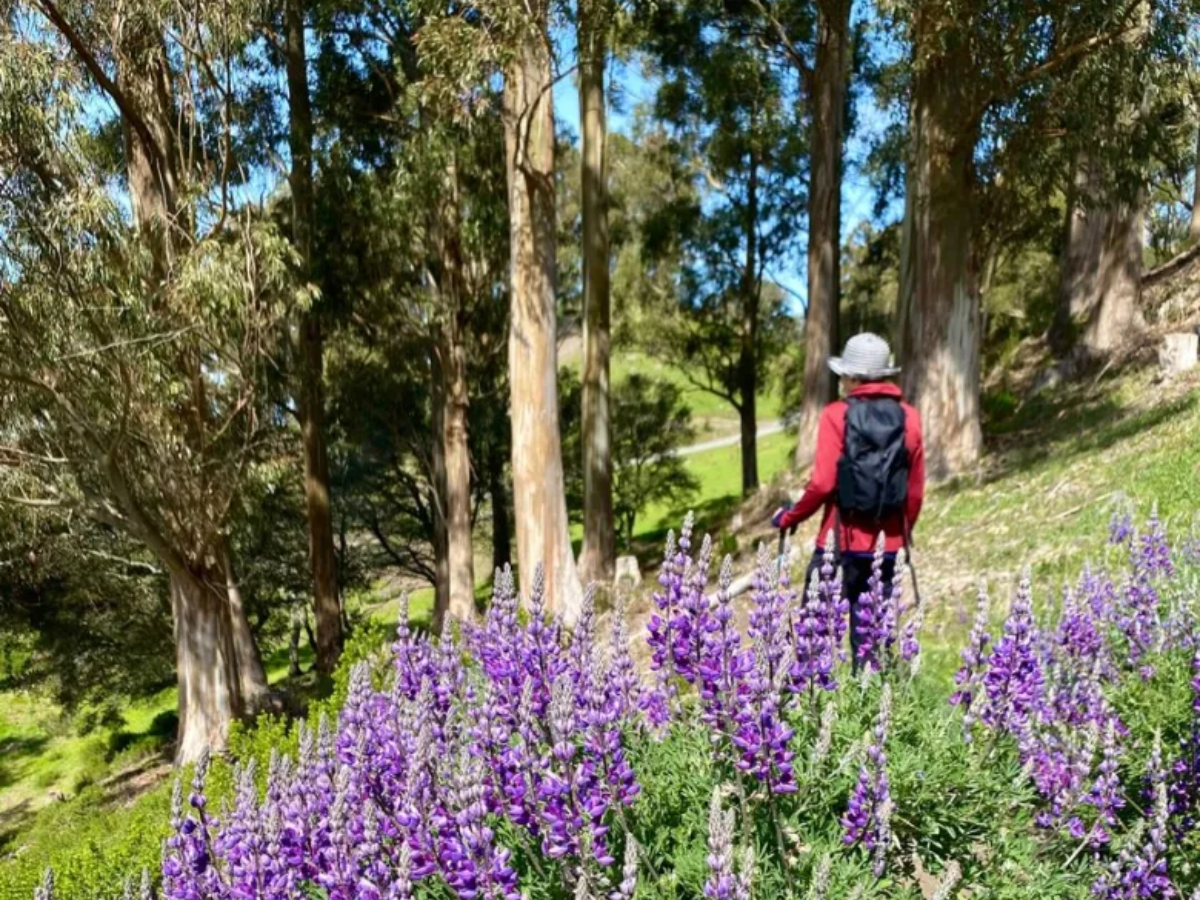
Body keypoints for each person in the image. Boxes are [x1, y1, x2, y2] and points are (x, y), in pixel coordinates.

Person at [772, 332, 925, 667]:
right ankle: (870, 712)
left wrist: (789, 517)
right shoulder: (910, 418)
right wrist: (900, 535)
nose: (841, 381)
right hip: (888, 549)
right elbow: (914, 494)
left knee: (814, 646)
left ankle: (811, 713)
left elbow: (823, 483)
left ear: (853, 377)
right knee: (873, 651)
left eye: (843, 376)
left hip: (838, 545)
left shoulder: (835, 415)